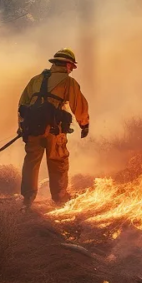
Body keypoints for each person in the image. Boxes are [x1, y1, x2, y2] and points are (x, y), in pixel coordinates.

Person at [17, 48, 90, 208]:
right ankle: (59, 198)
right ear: (67, 65)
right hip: (54, 131)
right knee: (58, 161)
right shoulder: (68, 82)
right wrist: (84, 124)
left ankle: (27, 199)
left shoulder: (35, 80)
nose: (71, 70)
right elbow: (79, 105)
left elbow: (22, 104)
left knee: (31, 162)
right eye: (72, 67)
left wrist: (21, 127)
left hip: (32, 130)